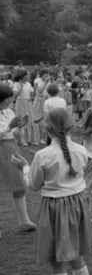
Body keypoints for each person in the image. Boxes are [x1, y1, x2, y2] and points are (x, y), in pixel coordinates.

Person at [12, 109, 92, 275]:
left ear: (47, 128)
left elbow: (34, 186)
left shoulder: (43, 155)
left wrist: (25, 167)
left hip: (55, 208)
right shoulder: (81, 150)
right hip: (78, 204)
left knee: (57, 261)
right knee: (77, 257)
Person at [0, 82, 37, 234]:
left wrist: (19, 127)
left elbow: (15, 135)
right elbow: (5, 131)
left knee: (19, 185)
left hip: (11, 149)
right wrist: (9, 127)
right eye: (6, 99)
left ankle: (24, 221)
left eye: (10, 99)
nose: (9, 102)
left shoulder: (8, 112)